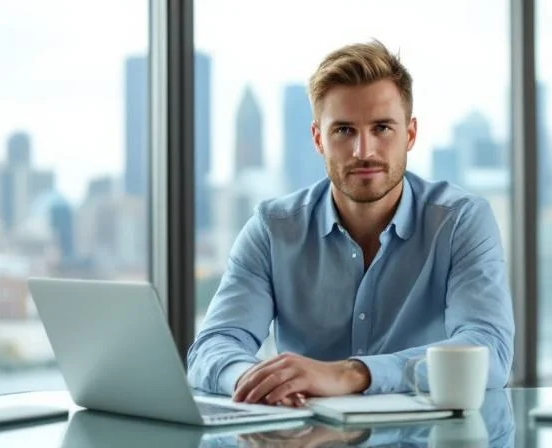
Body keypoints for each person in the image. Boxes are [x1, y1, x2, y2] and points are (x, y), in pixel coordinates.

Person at [187, 39, 514, 407]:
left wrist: (352, 374)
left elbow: (489, 349)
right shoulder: (273, 229)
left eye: (382, 128)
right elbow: (213, 346)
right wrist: (260, 381)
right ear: (318, 139)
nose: (364, 151)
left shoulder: (460, 221)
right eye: (343, 130)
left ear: (410, 134)